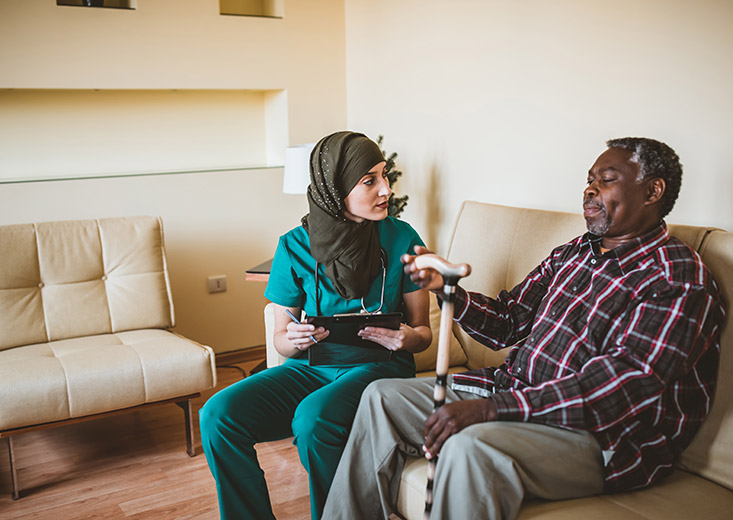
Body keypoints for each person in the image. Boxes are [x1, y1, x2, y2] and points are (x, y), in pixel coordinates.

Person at [321, 137, 726, 519]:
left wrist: (493, 409)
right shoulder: (574, 253)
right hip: (517, 393)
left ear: (653, 191)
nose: (589, 190)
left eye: (606, 181)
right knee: (380, 398)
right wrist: (449, 293)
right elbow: (508, 322)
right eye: (588, 180)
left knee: (469, 448)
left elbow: (620, 388)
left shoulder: (676, 278)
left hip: (603, 438)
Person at [199, 131, 432, 520]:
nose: (385, 190)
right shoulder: (293, 247)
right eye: (369, 180)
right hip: (312, 367)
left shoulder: (402, 238)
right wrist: (293, 338)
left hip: (380, 368)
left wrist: (409, 338)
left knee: (314, 419)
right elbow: (281, 342)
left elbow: (424, 333)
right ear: (335, 188)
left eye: (384, 176)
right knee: (218, 415)